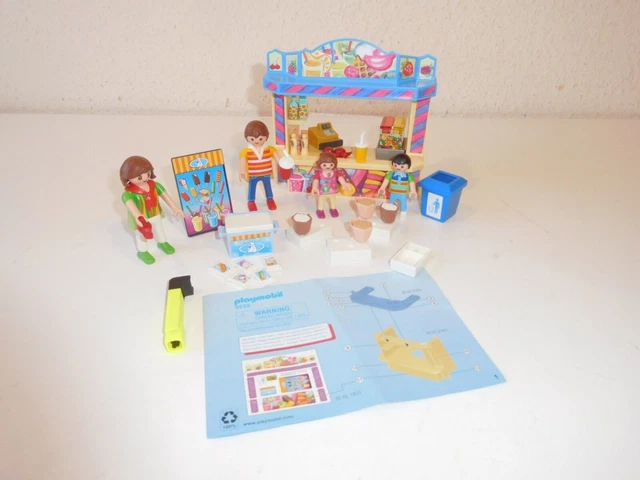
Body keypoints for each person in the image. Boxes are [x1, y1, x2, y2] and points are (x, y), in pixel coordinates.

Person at [120, 156, 184, 265]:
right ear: (127, 177)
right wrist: (138, 216)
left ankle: (162, 242)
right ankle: (142, 251)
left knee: (159, 229)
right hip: (142, 220)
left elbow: (166, 197)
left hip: (155, 214)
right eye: (139, 177)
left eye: (148, 173)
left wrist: (175, 208)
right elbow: (131, 206)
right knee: (142, 236)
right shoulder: (128, 194)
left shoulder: (155, 185)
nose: (145, 178)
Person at [239, 120, 279, 211]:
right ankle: (251, 201)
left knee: (268, 187)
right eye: (252, 139)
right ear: (247, 138)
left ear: (266, 137)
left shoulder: (270, 149)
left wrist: (282, 163)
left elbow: (277, 158)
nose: (256, 141)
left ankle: (270, 199)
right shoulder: (245, 151)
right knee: (252, 188)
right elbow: (242, 160)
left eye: (260, 138)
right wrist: (242, 171)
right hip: (253, 175)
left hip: (266, 173)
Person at [311, 151, 349, 218]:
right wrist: (314, 188)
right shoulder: (319, 173)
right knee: (321, 201)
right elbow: (315, 180)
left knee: (333, 201)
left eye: (331, 165)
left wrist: (344, 183)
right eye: (325, 165)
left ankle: (333, 209)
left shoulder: (335, 172)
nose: (328, 166)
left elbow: (340, 178)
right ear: (320, 164)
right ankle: (320, 210)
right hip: (322, 192)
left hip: (332, 191)